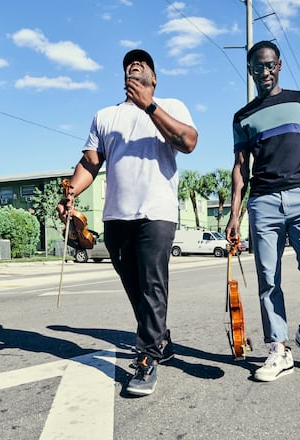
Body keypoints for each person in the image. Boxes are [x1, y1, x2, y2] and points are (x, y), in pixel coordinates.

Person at [57, 49, 197, 396]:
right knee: (135, 288)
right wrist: (71, 191)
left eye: (142, 64)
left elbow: (188, 142)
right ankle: (160, 339)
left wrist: (149, 106)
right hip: (116, 215)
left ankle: (147, 357)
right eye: (129, 65)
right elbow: (90, 162)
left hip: (157, 212)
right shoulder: (105, 116)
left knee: (152, 285)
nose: (134, 66)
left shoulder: (172, 106)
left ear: (154, 77)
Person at [225, 40, 300, 382]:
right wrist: (234, 213)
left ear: (279, 66)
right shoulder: (242, 117)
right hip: (264, 203)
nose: (265, 72)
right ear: (250, 71)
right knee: (268, 279)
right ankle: (278, 348)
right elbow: (240, 167)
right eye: (258, 67)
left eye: (270, 65)